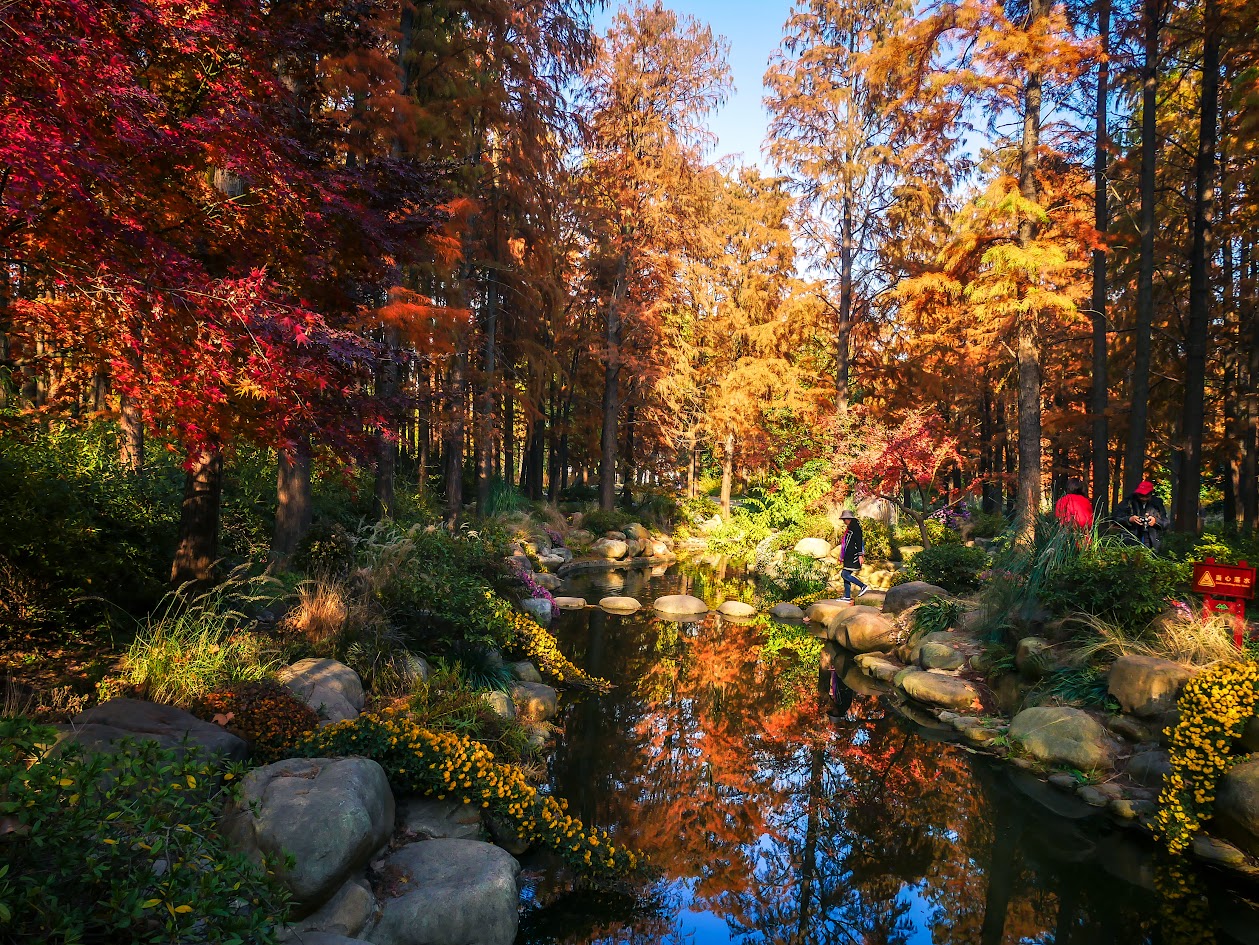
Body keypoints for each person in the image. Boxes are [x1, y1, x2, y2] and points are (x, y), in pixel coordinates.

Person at [1114, 480, 1169, 551]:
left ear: (1151, 494)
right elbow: (1116, 518)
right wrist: (1129, 519)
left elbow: (1165, 523)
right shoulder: (1128, 502)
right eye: (1141, 495)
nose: (1143, 498)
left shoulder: (1157, 504)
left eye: (1146, 496)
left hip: (1151, 542)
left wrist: (1155, 521)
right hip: (1130, 540)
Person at [838, 510, 868, 602]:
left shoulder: (856, 528)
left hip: (853, 556)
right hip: (848, 556)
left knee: (844, 574)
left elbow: (859, 542)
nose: (844, 521)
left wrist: (860, 555)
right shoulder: (850, 528)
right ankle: (847, 596)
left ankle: (863, 586)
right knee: (845, 574)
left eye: (845, 519)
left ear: (849, 519)